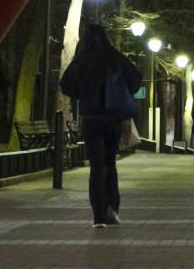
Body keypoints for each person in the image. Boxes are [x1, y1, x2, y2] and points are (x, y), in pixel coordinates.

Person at [58, 21, 141, 227]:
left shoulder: (82, 60)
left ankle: (98, 217)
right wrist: (121, 91)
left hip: (91, 119)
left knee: (96, 166)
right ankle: (113, 206)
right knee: (110, 162)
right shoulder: (114, 56)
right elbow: (136, 79)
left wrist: (82, 95)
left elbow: (66, 85)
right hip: (112, 119)